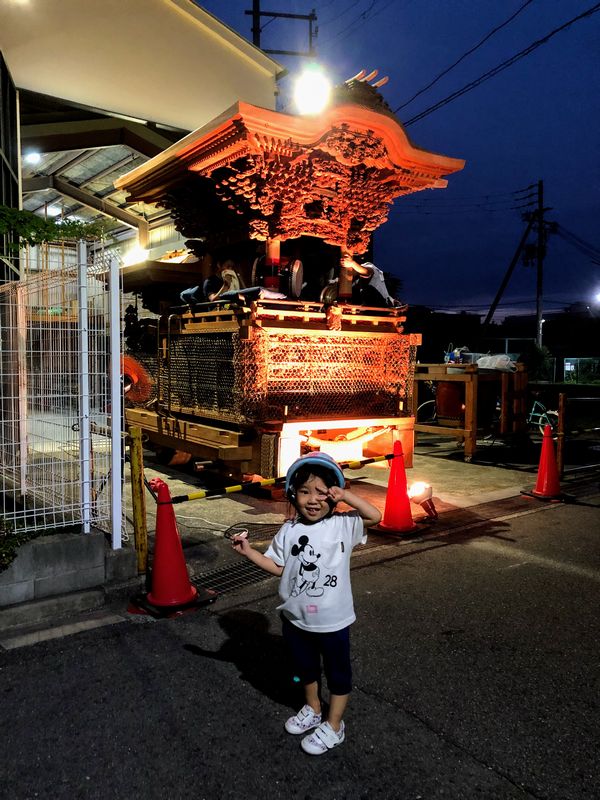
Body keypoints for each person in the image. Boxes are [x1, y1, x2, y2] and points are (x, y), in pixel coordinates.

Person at [231, 451, 381, 755]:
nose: (313, 500)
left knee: (338, 672)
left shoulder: (344, 524)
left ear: (333, 495)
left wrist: (347, 495)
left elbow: (375, 516)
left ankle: (335, 725)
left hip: (333, 620)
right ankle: (313, 708)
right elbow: (278, 566)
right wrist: (249, 552)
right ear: (292, 494)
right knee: (304, 669)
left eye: (322, 492)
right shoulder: (289, 530)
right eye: (304, 491)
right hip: (296, 619)